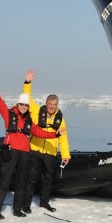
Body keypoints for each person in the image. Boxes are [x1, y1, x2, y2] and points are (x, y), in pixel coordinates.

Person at [0, 73, 65, 220]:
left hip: (24, 153)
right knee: (5, 180)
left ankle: (17, 209)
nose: (23, 107)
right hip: (11, 151)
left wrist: (56, 135)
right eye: (21, 104)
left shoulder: (30, 120)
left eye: (25, 105)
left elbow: (40, 132)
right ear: (18, 104)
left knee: (21, 181)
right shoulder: (9, 114)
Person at [20, 70, 71, 213]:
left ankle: (44, 203)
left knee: (47, 179)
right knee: (31, 178)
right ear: (46, 103)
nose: (51, 106)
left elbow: (64, 140)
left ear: (57, 105)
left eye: (54, 104)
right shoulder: (36, 111)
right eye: (50, 103)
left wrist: (66, 155)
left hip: (50, 152)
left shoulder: (60, 120)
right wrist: (28, 82)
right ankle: (26, 204)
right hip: (35, 150)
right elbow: (27, 98)